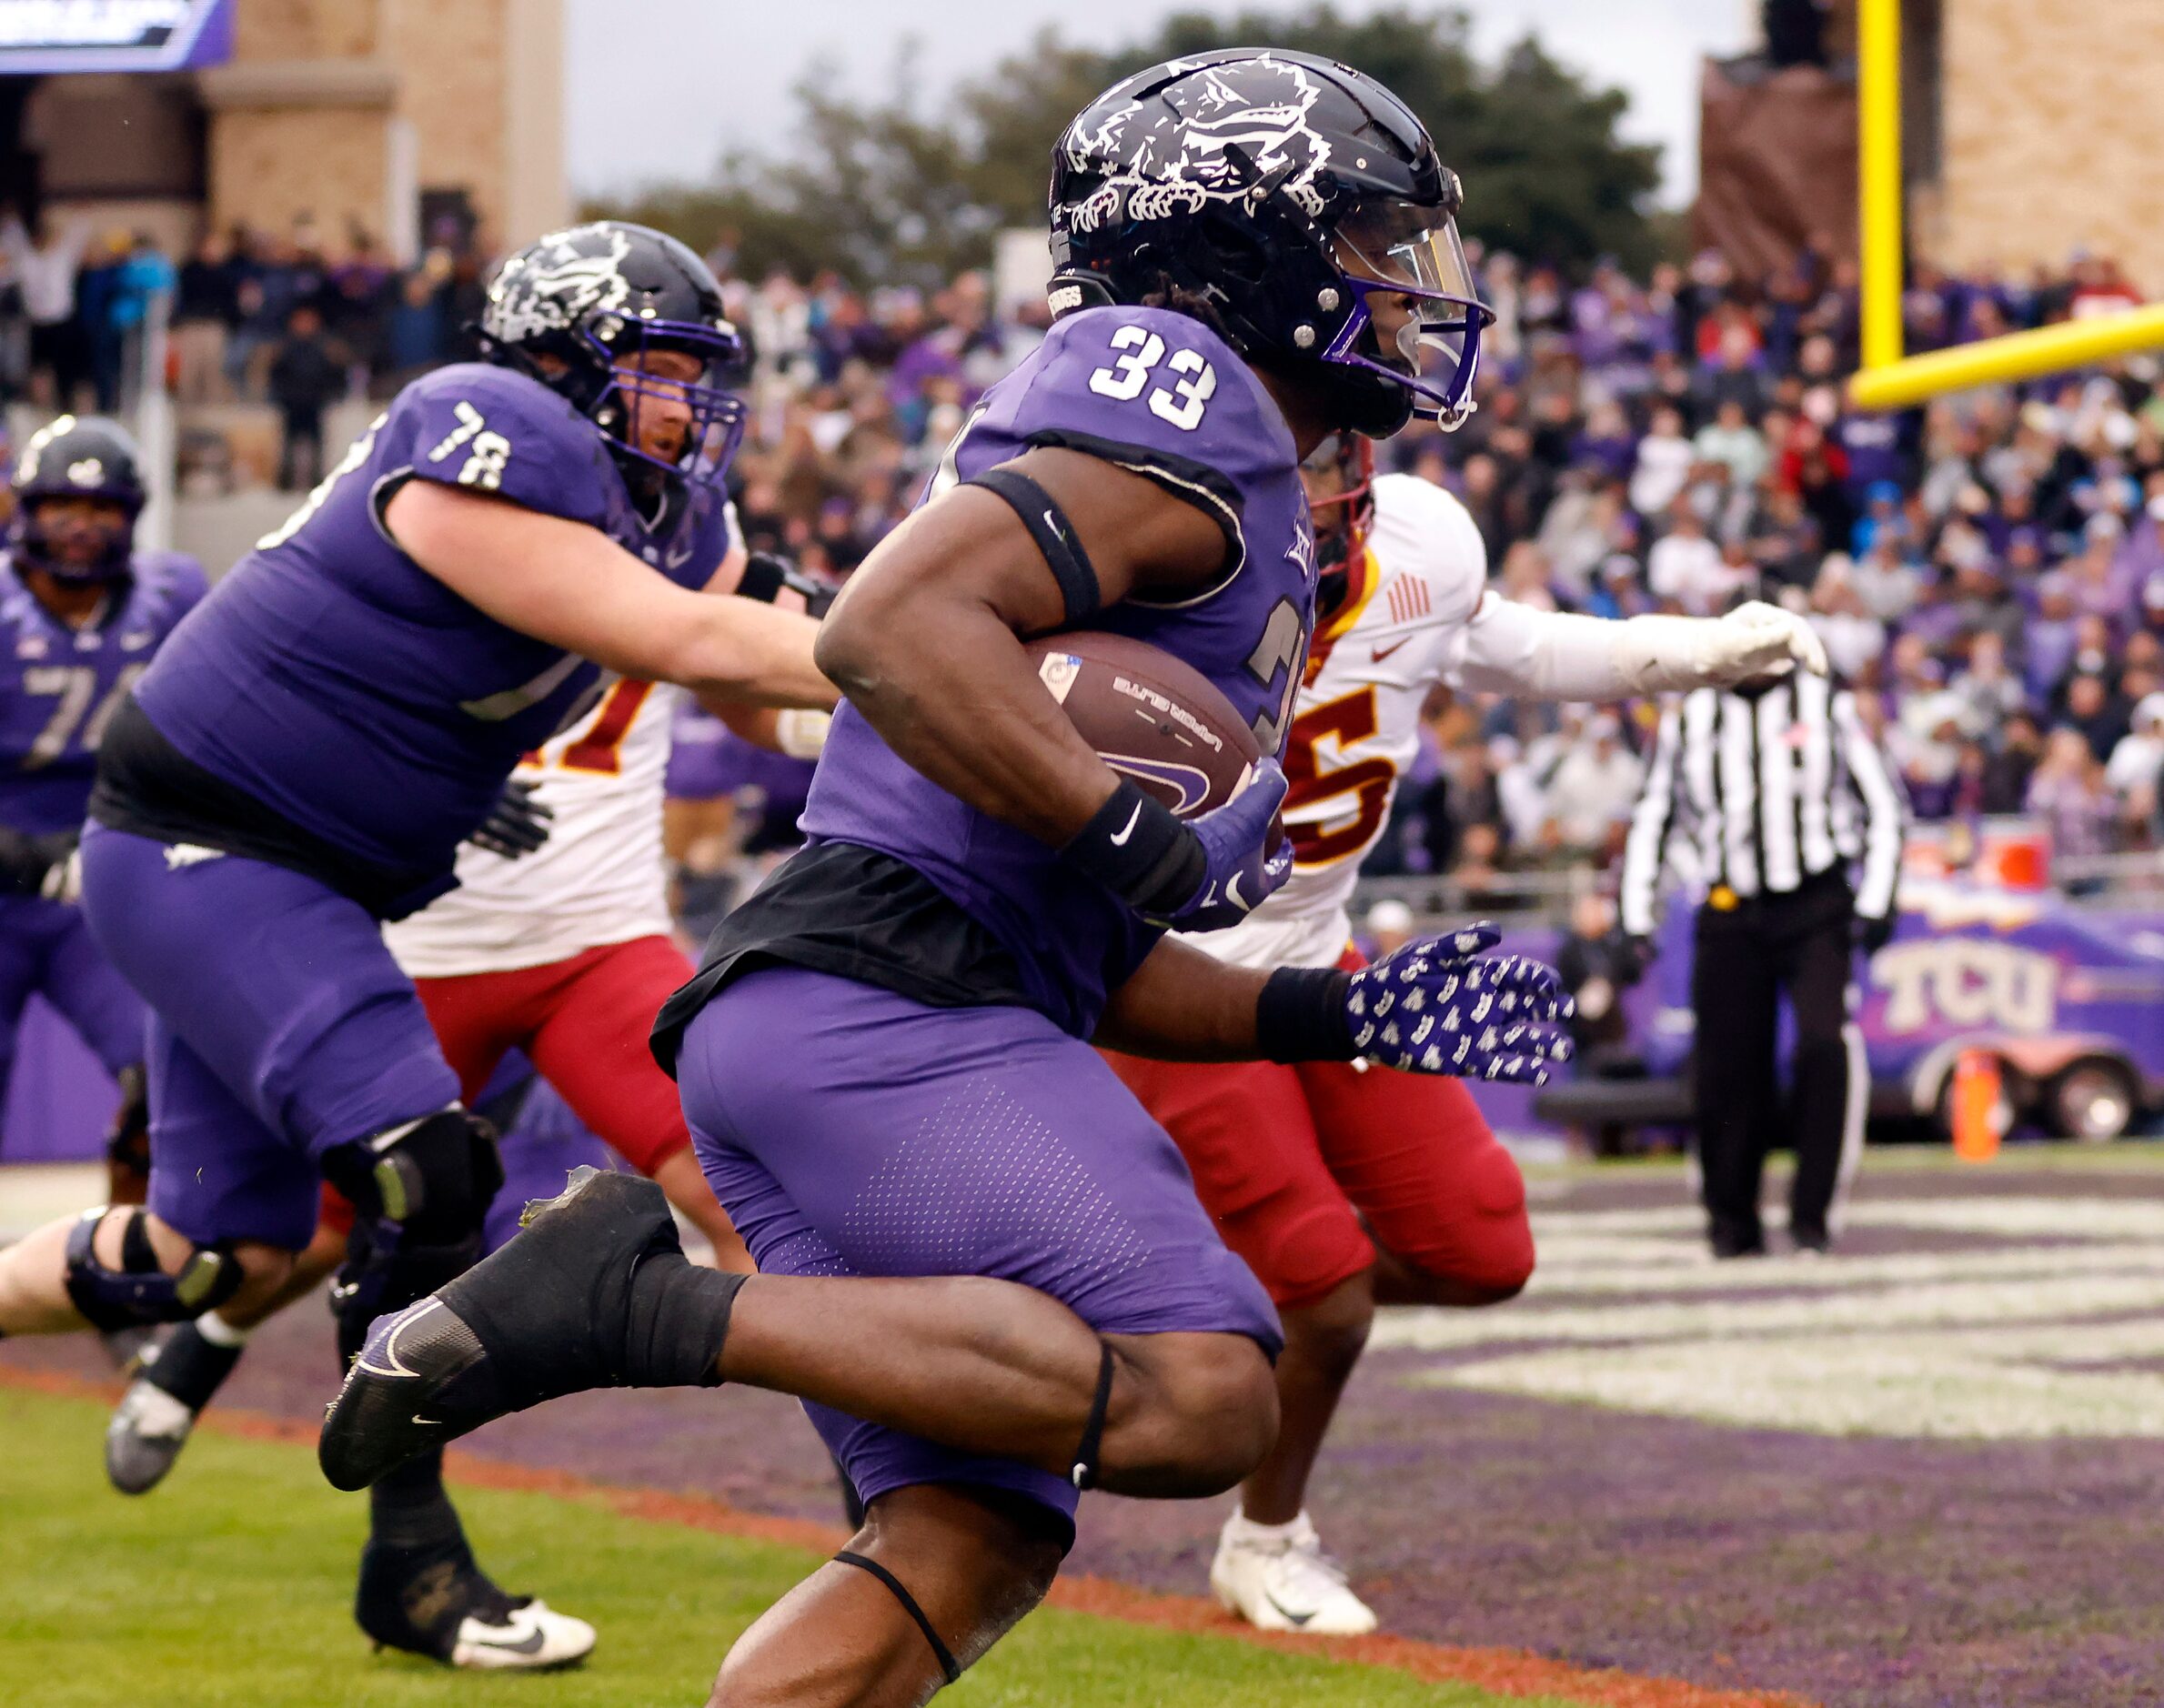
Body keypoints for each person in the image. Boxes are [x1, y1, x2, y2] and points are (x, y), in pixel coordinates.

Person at [321, 52, 1573, 1706]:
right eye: (1368, 243)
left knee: (966, 1542)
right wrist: (1127, 830)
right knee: (1203, 1397)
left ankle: (637, 1303)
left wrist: (1319, 1010)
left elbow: (1087, 956)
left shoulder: (1248, 508)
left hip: (887, 1001)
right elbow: (881, 630)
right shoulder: (1173, 388)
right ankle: (631, 1300)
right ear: (1236, 247)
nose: (1403, 292)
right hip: (884, 1003)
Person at [0, 220, 831, 1669]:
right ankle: (414, 1564)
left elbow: (781, 672)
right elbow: (702, 646)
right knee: (425, 1169)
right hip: (218, 847)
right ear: (562, 366)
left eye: (700, 378)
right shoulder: (480, 425)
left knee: (211, 1253)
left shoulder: (670, 511)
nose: (687, 407)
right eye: (655, 371)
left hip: (296, 874)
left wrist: (972, 729)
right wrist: (960, 672)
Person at [1103, 435, 1827, 1633]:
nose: (1316, 492)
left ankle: (1194, 1298)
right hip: (1166, 985)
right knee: (1324, 1288)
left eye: (1334, 452)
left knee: (1477, 1247)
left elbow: (1522, 648)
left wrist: (1694, 649)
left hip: (1317, 959)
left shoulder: (1419, 547)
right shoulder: (1137, 565)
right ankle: (1262, 1536)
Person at [101, 593, 833, 1493]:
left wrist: (871, 689)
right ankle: (200, 1353)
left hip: (599, 942)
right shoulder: (456, 507)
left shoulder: (691, 533)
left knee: (748, 1193)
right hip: (424, 943)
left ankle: (880, 1496)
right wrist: (421, 784)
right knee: (318, 1236)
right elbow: (308, 709)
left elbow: (750, 690)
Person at [1620, 668, 1907, 1257]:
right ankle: (1731, 1229)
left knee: (1824, 1046)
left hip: (1815, 901)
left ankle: (1812, 1221)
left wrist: (1875, 901)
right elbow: (1651, 814)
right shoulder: (1690, 716)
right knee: (1726, 1068)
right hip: (1727, 906)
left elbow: (1883, 807)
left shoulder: (1827, 706)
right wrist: (1635, 914)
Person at [0, 417, 204, 1221]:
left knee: (161, 1069)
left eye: (103, 507)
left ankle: (126, 1271)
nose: (81, 526)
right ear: (25, 508)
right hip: (10, 872)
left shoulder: (173, 595)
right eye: (60, 505)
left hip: (101, 878)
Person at [267, 302, 347, 491]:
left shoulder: (326, 347)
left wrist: (330, 395)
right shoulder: (284, 347)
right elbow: (276, 375)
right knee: (288, 445)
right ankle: (285, 480)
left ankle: (315, 479)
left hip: (315, 403)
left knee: (316, 445)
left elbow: (335, 374)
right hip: (292, 403)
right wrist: (281, 396)